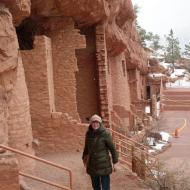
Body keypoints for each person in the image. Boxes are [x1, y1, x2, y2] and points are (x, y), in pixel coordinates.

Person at [82, 114, 118, 190]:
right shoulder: (88, 134)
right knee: (95, 187)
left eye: (97, 122)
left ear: (100, 123)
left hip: (104, 165)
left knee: (105, 187)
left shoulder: (105, 134)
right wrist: (84, 158)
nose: (95, 124)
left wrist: (115, 163)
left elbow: (112, 148)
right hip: (92, 165)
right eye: (93, 122)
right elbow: (86, 147)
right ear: (91, 123)